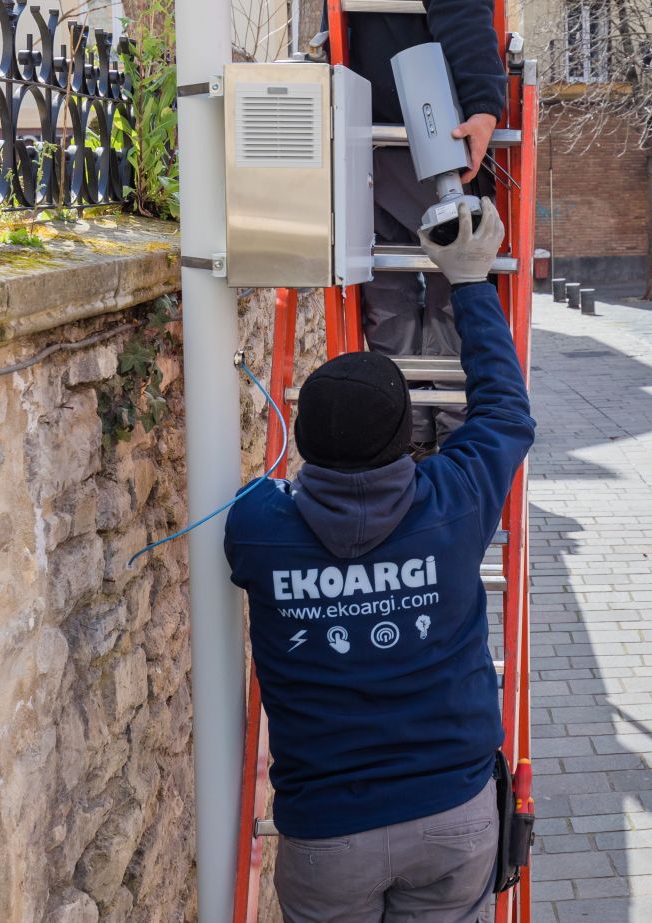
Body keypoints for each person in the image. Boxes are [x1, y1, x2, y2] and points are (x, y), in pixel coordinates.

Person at [225, 201, 534, 923]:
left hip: (327, 836)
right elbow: (505, 415)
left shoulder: (258, 528)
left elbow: (263, 507)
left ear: (306, 441)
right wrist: (469, 281)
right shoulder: (451, 504)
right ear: (406, 437)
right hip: (451, 816)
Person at [268, 0, 505, 446]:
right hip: (357, 121)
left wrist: (484, 104)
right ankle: (400, 448)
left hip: (428, 122)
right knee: (388, 298)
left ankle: (453, 455)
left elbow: (464, 0)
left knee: (454, 291)